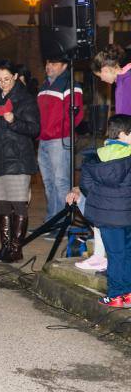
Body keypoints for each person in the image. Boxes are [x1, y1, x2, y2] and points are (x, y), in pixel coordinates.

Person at [0, 61, 40, 263]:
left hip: (18, 159)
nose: (3, 83)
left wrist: (14, 121)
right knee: (2, 204)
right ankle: (5, 247)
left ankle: (16, 249)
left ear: (14, 77)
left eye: (7, 79)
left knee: (18, 203)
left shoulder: (25, 99)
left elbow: (34, 129)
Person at [69, 114, 131, 307]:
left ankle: (115, 295)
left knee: (115, 255)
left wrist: (101, 195)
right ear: (122, 134)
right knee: (127, 253)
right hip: (127, 213)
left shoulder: (93, 156)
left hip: (105, 215)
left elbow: (85, 186)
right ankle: (126, 293)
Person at [37, 55, 83, 229]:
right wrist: (41, 133)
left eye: (53, 62)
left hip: (59, 140)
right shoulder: (44, 86)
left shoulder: (71, 85)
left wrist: (58, 132)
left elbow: (76, 116)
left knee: (61, 182)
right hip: (44, 139)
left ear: (65, 66)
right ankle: (52, 221)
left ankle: (61, 224)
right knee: (48, 182)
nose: (49, 65)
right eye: (47, 62)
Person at [92, 45, 131, 114]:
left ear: (105, 70)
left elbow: (124, 119)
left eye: (100, 76)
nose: (101, 79)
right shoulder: (124, 78)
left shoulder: (125, 83)